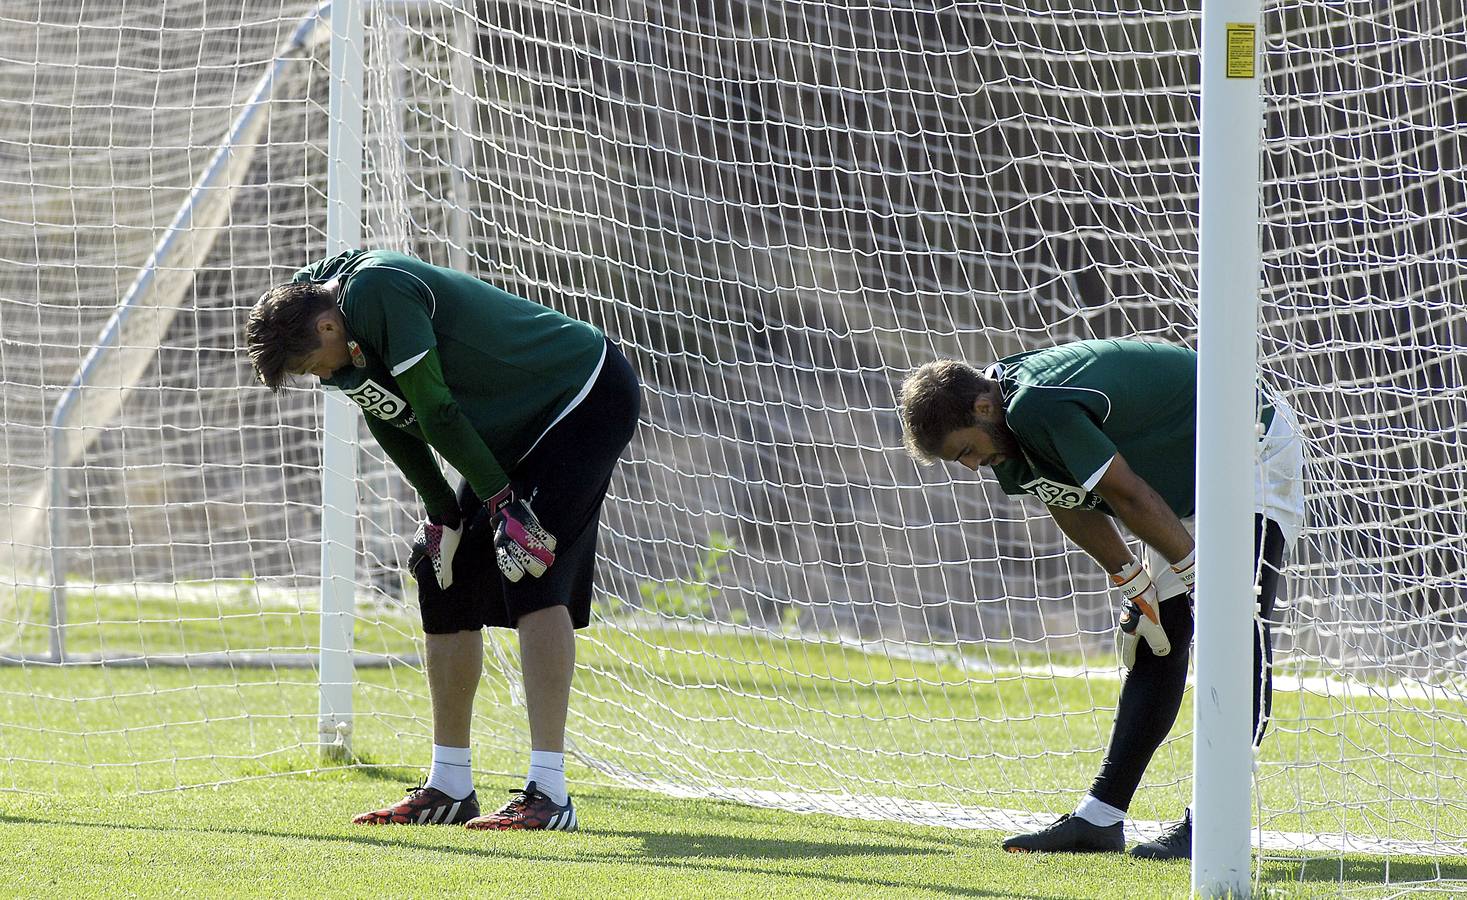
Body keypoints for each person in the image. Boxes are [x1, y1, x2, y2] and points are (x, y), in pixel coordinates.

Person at [246, 249, 640, 831]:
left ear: (329, 328)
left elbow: (435, 409)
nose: (320, 377)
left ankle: (550, 793)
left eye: (314, 366)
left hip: (581, 396)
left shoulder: (377, 294)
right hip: (508, 428)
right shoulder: (314, 312)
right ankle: (450, 786)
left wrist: (502, 503)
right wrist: (441, 513)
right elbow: (388, 412)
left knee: (527, 569)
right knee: (440, 575)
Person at [897, 338, 1304, 859]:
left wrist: (1201, 579)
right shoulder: (1002, 422)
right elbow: (1067, 502)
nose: (974, 466)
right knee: (1161, 636)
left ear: (982, 408)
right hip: (1184, 488)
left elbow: (1126, 493)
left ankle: (1217, 821)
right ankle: (1100, 818)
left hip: (1251, 451)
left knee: (1236, 634)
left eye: (966, 452)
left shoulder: (1033, 404)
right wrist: (1135, 584)